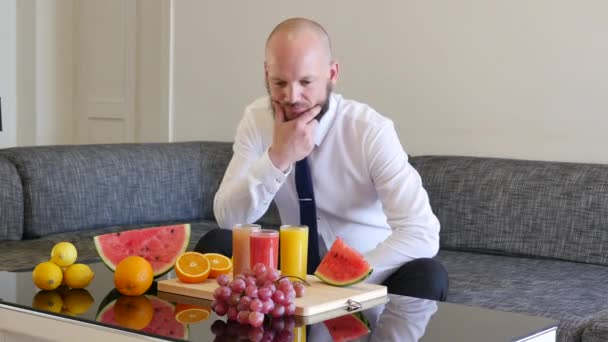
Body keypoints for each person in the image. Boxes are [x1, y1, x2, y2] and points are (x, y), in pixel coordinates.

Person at [195, 17, 448, 301]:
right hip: (290, 269)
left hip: (368, 275)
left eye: (306, 82)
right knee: (216, 243)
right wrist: (278, 157)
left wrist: (349, 278)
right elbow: (230, 218)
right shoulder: (256, 120)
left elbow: (422, 232)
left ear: (332, 73)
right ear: (266, 74)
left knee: (429, 275)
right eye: (279, 82)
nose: (292, 97)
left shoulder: (370, 131)